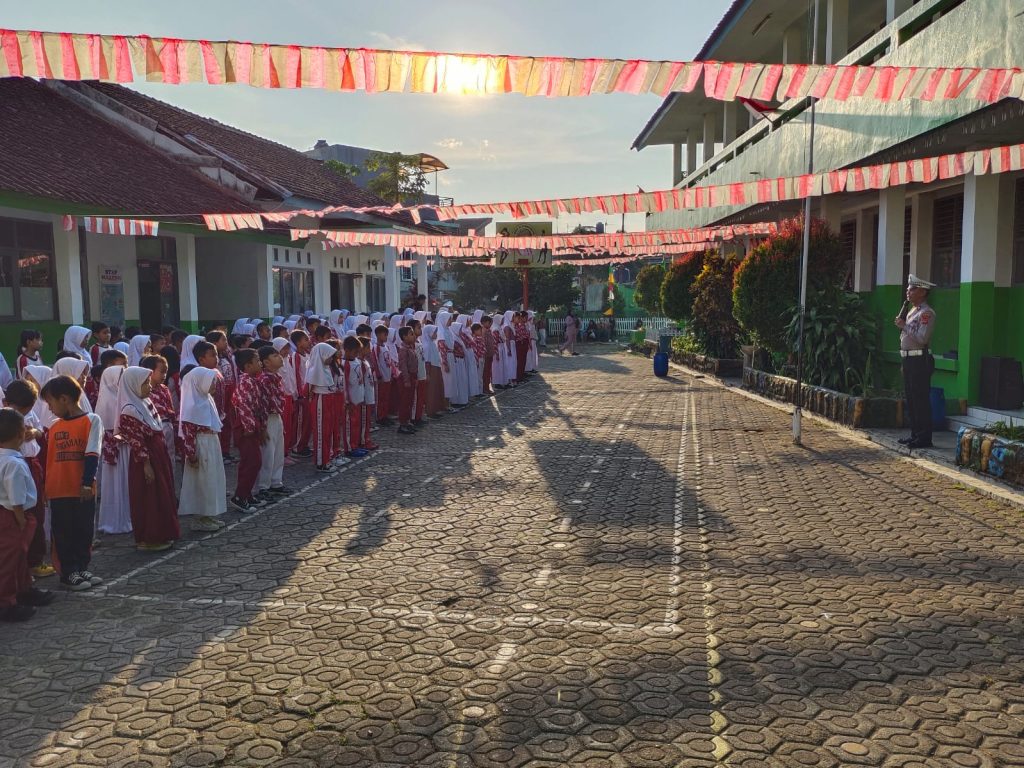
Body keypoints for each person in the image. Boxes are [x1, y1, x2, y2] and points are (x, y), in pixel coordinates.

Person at [39, 374, 102, 591]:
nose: (49, 408)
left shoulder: (91, 420)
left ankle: (82, 566)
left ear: (64, 399)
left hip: (82, 489)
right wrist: (47, 489)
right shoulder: (53, 427)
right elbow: (49, 460)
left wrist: (87, 483)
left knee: (84, 530)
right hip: (59, 489)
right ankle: (68, 572)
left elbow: (92, 453)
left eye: (51, 402)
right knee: (63, 532)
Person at [116, 367, 179, 552]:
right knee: (149, 496)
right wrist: (146, 465)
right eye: (144, 383)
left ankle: (162, 532)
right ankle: (149, 537)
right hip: (145, 459)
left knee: (162, 493)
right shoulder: (130, 409)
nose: (149, 386)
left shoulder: (144, 401)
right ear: (133, 385)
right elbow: (137, 441)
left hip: (157, 454)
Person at [0, 408, 54, 621]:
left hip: (10, 513)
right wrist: (21, 519)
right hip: (15, 515)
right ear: (20, 435)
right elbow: (15, 497)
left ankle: (23, 588)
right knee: (9, 560)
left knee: (18, 556)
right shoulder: (13, 463)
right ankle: (6, 603)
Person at [4, 381, 52, 579]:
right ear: (7, 402)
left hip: (32, 463)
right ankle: (20, 564)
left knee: (37, 511)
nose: (23, 413)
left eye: (28, 409)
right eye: (19, 409)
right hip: (13, 464)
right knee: (18, 513)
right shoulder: (5, 418)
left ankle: (35, 560)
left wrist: (34, 433)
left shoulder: (30, 414)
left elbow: (41, 432)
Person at [178, 367, 227, 533]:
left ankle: (209, 514)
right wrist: (191, 454)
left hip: (211, 443)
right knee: (202, 481)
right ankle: (200, 517)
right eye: (210, 381)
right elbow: (188, 434)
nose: (213, 384)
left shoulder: (207, 400)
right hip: (201, 447)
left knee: (212, 479)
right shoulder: (192, 406)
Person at [896, 274, 938, 449]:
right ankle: (915, 434)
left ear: (922, 292)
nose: (908, 291)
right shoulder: (912, 310)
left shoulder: (926, 313)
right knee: (911, 399)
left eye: (912, 289)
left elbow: (922, 338)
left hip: (920, 359)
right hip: (909, 359)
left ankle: (924, 437)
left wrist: (903, 325)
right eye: (908, 288)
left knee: (920, 399)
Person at [96, 365, 131, 536]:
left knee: (125, 484)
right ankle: (116, 520)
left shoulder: (122, 398)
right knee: (116, 484)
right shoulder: (108, 401)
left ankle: (126, 516)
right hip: (116, 453)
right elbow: (109, 431)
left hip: (125, 450)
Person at [231, 349, 266, 510]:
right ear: (247, 365)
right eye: (257, 360)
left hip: (253, 423)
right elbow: (243, 405)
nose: (260, 363)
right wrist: (249, 427)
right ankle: (239, 496)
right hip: (245, 426)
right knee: (251, 461)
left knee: (254, 461)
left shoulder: (254, 379)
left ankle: (248, 494)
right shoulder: (246, 381)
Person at [256, 345, 291, 500]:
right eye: (275, 356)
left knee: (278, 450)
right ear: (266, 362)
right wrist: (262, 425)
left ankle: (276, 481)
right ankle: (263, 486)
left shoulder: (275, 377)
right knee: (268, 452)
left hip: (277, 416)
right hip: (267, 418)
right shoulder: (263, 379)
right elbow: (261, 404)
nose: (279, 357)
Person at [306, 341, 340, 473]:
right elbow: (308, 390)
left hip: (328, 400)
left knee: (328, 431)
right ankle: (321, 462)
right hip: (320, 401)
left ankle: (327, 458)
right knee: (321, 432)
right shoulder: (313, 371)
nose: (331, 359)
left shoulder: (326, 370)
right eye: (329, 356)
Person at [340, 336, 368, 459]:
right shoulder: (345, 364)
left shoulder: (356, 361)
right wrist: (347, 400)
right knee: (349, 425)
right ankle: (349, 448)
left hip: (358, 397)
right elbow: (345, 384)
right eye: (354, 352)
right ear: (346, 350)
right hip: (350, 401)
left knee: (356, 424)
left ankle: (355, 445)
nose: (357, 354)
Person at [397, 327, 418, 435]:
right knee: (404, 401)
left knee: (410, 401)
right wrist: (406, 379)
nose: (413, 336)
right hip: (407, 377)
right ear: (404, 337)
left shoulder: (411, 347)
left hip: (412, 376)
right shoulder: (403, 349)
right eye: (411, 334)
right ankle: (402, 424)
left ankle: (408, 421)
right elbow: (403, 365)